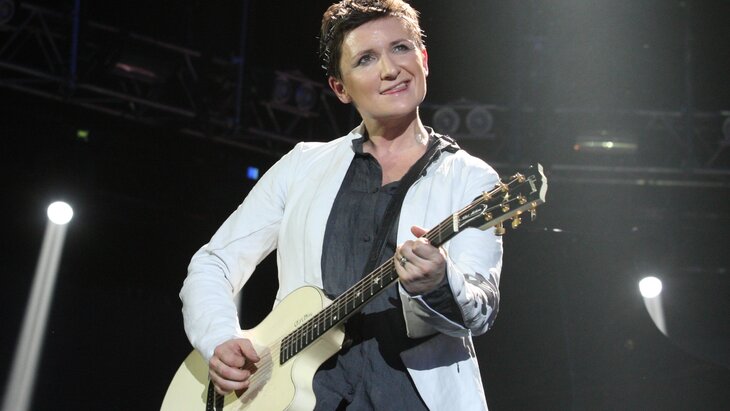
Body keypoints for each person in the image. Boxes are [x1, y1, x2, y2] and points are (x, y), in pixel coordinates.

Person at [180, 0, 503, 409]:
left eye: (400, 48)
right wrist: (220, 338)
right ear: (340, 88)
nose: (390, 69)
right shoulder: (302, 165)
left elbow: (481, 310)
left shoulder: (472, 178)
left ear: (423, 59)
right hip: (299, 397)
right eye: (366, 59)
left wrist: (439, 282)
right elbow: (214, 264)